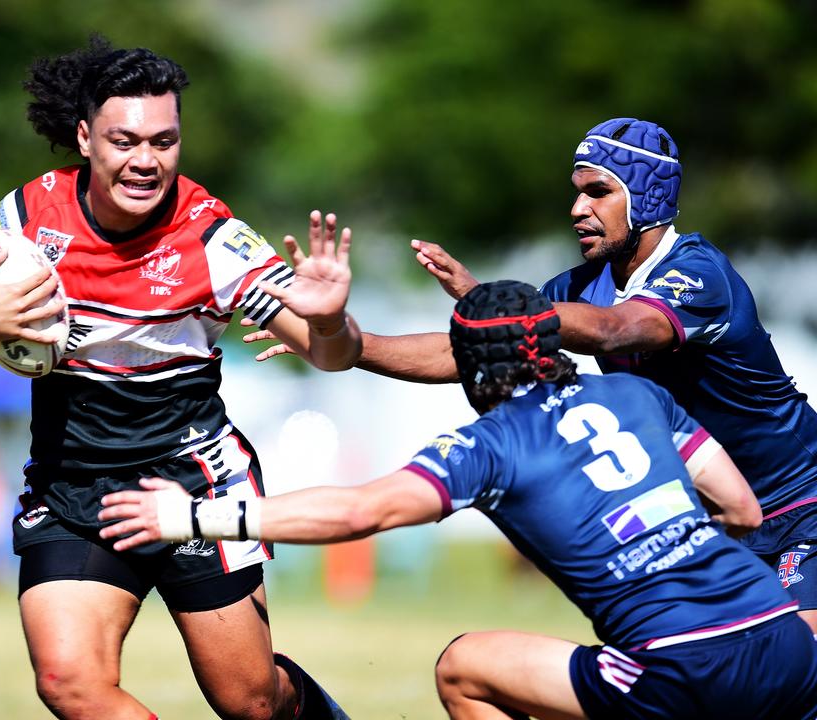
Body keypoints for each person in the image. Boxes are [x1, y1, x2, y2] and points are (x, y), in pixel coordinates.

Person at [103, 281, 817, 719]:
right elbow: (744, 510)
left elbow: (360, 512)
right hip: (785, 641)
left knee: (463, 668)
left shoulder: (488, 446)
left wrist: (192, 515)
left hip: (680, 670)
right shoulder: (635, 392)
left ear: (470, 369)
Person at [0, 37, 360, 720]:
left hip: (192, 484)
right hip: (73, 488)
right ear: (84, 137)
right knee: (70, 683)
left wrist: (330, 320)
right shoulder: (28, 219)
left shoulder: (212, 239)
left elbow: (330, 355)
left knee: (250, 702)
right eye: (124, 141)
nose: (145, 161)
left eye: (164, 141)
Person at [249, 118, 817, 632]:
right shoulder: (576, 289)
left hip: (800, 504)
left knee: (799, 667)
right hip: (713, 518)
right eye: (576, 193)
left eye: (598, 192)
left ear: (645, 196)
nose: (577, 209)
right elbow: (464, 355)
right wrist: (343, 342)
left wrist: (493, 307)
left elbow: (618, 330)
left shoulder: (697, 273)